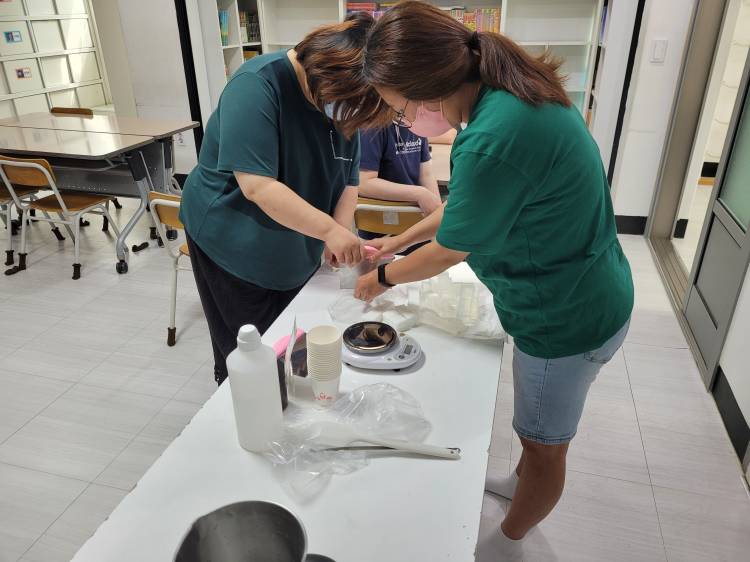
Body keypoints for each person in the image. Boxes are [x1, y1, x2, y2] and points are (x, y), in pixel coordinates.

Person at [348, 3, 634, 561]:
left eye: (400, 108)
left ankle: (509, 542)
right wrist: (399, 240)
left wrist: (381, 277)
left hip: (565, 319)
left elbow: (451, 248)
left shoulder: (490, 137)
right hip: (590, 288)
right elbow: (464, 211)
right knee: (536, 430)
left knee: (546, 446)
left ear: (426, 89)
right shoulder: (514, 94)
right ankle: (517, 482)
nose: (404, 121)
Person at [179, 13, 383, 385]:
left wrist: (338, 230)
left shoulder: (341, 99)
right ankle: (245, 399)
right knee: (251, 355)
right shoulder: (257, 85)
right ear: (329, 75)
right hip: (231, 241)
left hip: (295, 240)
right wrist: (328, 231)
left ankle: (289, 391)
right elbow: (257, 186)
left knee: (293, 343)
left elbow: (348, 178)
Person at [358, 123, 441, 252]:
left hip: (418, 224)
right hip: (381, 227)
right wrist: (419, 194)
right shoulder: (372, 127)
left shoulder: (418, 123)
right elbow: (363, 183)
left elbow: (426, 174)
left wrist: (437, 214)